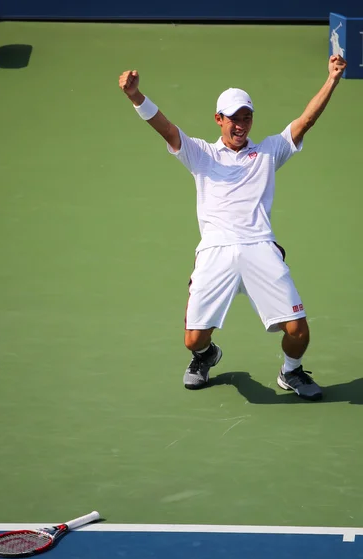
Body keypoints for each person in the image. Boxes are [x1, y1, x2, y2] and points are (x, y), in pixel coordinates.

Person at [118, 55, 347, 400]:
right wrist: (136, 96)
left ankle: (291, 371)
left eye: (247, 117)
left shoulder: (269, 151)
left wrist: (331, 79)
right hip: (216, 251)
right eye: (234, 119)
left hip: (260, 247)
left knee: (298, 330)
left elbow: (306, 120)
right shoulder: (200, 153)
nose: (241, 125)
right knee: (193, 339)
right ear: (218, 120)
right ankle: (206, 355)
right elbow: (165, 127)